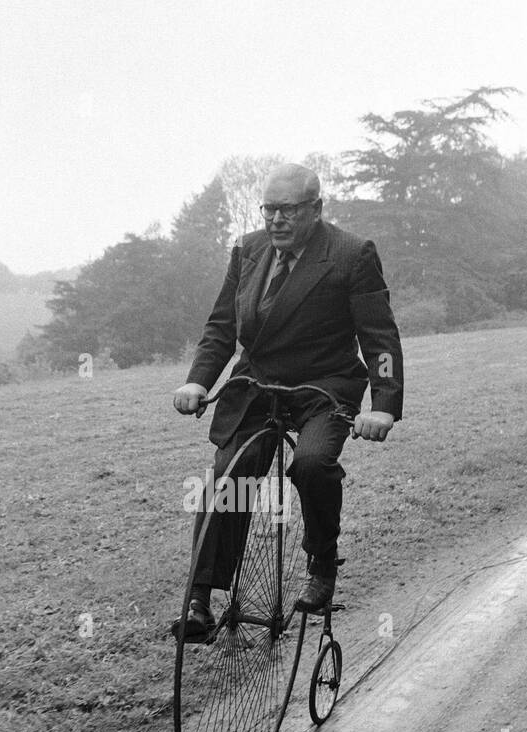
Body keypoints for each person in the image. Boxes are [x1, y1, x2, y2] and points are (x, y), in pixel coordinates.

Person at [171, 162, 404, 640]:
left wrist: (383, 404)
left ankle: (321, 560)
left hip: (324, 385)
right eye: (269, 209)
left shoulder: (350, 254)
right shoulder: (249, 251)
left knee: (313, 464)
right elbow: (221, 326)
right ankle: (200, 599)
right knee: (229, 475)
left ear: (315, 209)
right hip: (258, 382)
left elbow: (379, 337)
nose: (276, 220)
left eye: (288, 210)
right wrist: (198, 380)